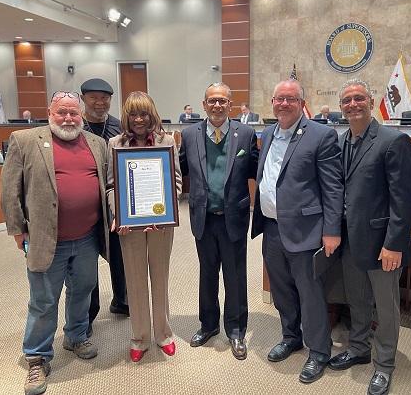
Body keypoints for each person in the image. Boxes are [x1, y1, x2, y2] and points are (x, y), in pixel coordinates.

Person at [1, 92, 109, 395]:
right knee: (44, 300)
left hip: (87, 236)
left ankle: (75, 336)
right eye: (62, 112)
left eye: (74, 113)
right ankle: (36, 356)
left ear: (82, 115)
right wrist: (17, 230)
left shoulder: (95, 143)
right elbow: (10, 189)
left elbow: (106, 186)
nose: (68, 118)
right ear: (49, 111)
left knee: (83, 290)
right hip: (46, 238)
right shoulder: (25, 140)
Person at [328, 79, 411, 395]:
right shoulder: (341, 142)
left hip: (383, 244)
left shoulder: (394, 141)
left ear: (371, 101)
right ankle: (358, 348)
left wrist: (395, 243)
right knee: (357, 299)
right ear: (342, 107)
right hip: (351, 239)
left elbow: (405, 199)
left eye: (358, 98)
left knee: (386, 305)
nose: (352, 104)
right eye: (347, 100)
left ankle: (384, 365)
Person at [250, 79, 344, 384]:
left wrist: (331, 230)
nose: (283, 104)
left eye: (290, 99)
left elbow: (332, 188)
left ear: (302, 103)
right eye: (278, 99)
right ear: (272, 102)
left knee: (310, 293)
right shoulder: (267, 132)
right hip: (272, 227)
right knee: (281, 291)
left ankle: (319, 351)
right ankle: (291, 337)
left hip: (306, 230)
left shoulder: (321, 135)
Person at [179, 82, 258, 360]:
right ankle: (208, 325)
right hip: (203, 218)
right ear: (204, 104)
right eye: (212, 100)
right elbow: (177, 169)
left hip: (233, 218)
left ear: (230, 105)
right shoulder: (189, 135)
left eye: (222, 101)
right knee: (207, 274)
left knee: (235, 276)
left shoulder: (246, 134)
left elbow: (257, 169)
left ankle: (236, 330)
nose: (217, 105)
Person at [107, 91, 182, 362]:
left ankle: (163, 334)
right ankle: (139, 337)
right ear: (126, 116)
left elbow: (175, 181)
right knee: (136, 280)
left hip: (161, 224)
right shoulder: (114, 143)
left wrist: (165, 215)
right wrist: (119, 214)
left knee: (160, 277)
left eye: (144, 113)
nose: (139, 119)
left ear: (152, 115)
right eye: (133, 114)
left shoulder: (168, 141)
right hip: (130, 226)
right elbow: (112, 186)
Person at [80, 78, 129, 337]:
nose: (100, 103)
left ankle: (122, 301)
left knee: (120, 257)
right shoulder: (75, 128)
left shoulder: (119, 128)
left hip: (115, 204)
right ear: (83, 99)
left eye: (105, 98)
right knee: (87, 262)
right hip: (87, 205)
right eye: (93, 98)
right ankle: (88, 314)